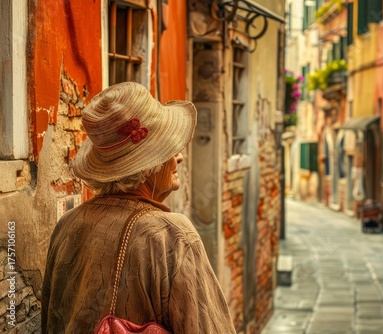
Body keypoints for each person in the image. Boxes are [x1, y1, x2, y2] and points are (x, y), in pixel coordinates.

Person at [42, 82, 237, 334]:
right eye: (168, 149)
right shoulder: (170, 235)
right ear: (147, 168)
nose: (178, 157)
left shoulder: (67, 224)